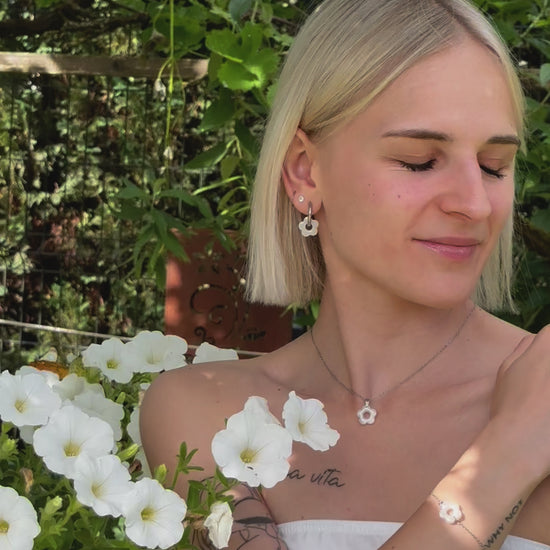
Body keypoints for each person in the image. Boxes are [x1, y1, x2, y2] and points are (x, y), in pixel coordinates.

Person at [140, 0, 550, 548]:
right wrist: (508, 454)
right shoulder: (208, 414)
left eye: (494, 166)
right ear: (305, 172)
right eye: (419, 161)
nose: (475, 204)